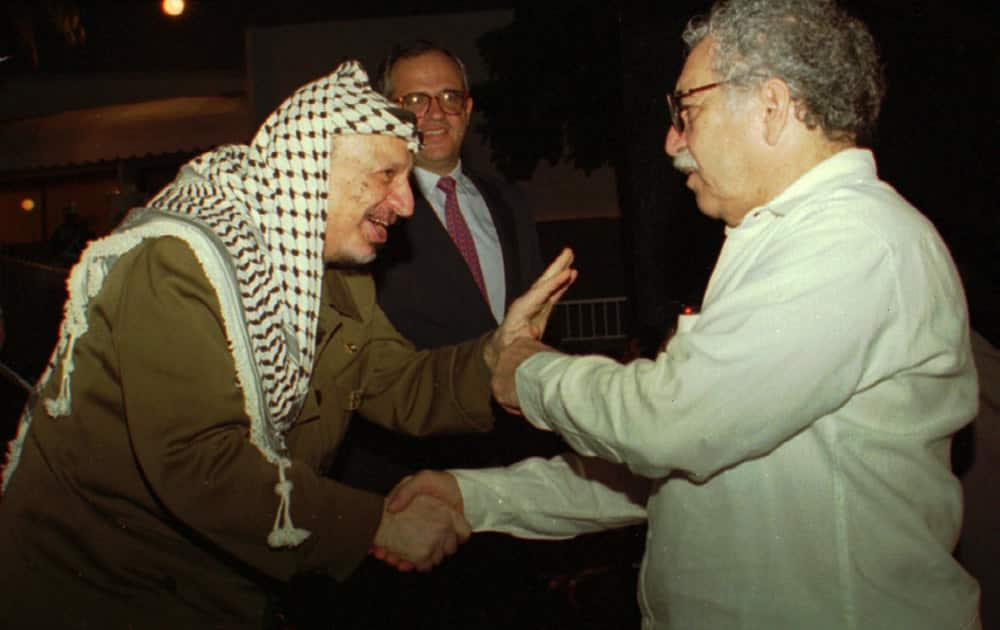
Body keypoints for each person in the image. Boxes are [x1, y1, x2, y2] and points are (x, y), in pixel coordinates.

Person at [384, 1, 983, 628]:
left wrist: (525, 371)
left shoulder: (854, 242)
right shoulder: (784, 242)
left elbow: (670, 422)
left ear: (772, 108)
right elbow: (675, 472)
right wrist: (475, 498)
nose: (672, 140)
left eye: (686, 110)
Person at [0, 61, 575, 628]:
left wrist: (493, 363)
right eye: (385, 176)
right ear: (310, 164)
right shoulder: (180, 260)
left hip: (216, 590)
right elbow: (198, 462)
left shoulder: (338, 278)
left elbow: (396, 380)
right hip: (98, 592)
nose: (405, 205)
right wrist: (372, 525)